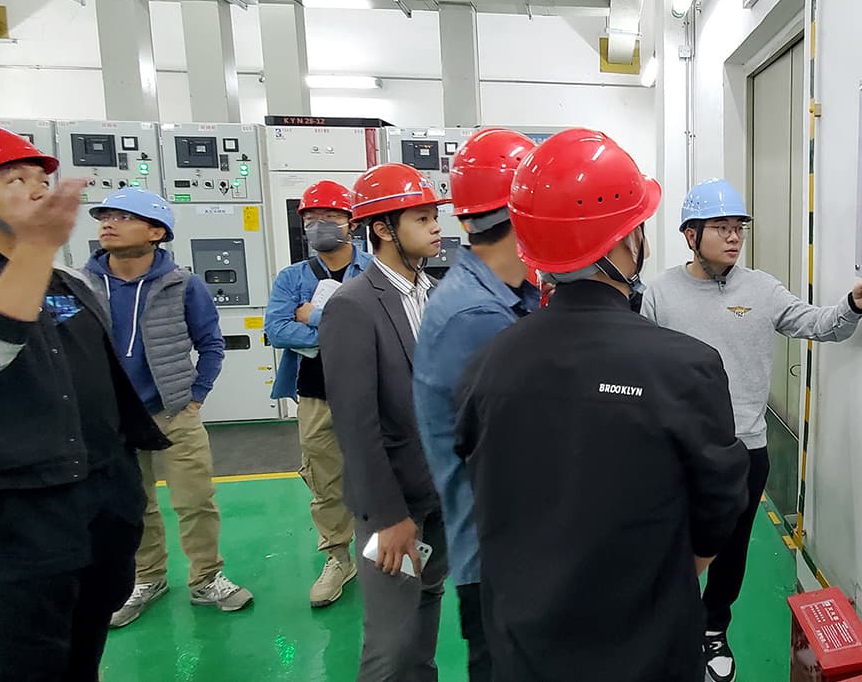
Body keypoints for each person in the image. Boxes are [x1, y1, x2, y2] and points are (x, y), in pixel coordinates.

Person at [454, 128, 750, 682]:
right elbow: (721, 499)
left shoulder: (486, 364)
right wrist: (676, 569)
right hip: (645, 646)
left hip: (523, 645)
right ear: (625, 242)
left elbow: (479, 478)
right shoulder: (686, 367)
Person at [0, 125, 170, 681]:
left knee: (90, 623)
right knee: (29, 649)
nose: (39, 189)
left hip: (99, 491)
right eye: (16, 180)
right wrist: (38, 246)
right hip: (16, 502)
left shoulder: (67, 280)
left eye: (41, 179)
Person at [640, 177, 862, 682]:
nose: (734, 237)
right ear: (691, 234)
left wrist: (853, 305)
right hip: (679, 450)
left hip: (745, 450)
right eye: (721, 227)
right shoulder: (660, 294)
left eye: (739, 228)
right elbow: (641, 367)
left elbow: (819, 324)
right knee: (670, 542)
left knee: (731, 548)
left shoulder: (762, 289)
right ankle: (667, 626)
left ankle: (714, 626)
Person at [78, 187, 253, 627]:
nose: (108, 223)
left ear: (156, 232)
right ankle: (147, 579)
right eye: (105, 215)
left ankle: (206, 578)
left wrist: (195, 396)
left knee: (195, 500)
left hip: (172, 412)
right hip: (113, 417)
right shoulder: (82, 284)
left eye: (123, 216)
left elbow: (211, 343)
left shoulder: (183, 285)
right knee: (133, 504)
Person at [411, 128, 539, 682]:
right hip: (500, 563)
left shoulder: (504, 296)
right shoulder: (477, 317)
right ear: (523, 213)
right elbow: (519, 456)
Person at [319, 163, 449, 682]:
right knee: (391, 644)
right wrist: (391, 517)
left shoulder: (433, 293)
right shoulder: (353, 305)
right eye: (422, 218)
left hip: (440, 495)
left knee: (426, 608)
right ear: (383, 228)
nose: (436, 227)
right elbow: (356, 425)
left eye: (435, 216)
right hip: (396, 507)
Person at [265, 180, 372, 608]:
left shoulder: (375, 271)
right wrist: (342, 330)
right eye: (310, 218)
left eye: (329, 217)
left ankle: (385, 548)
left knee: (382, 470)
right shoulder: (292, 277)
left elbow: (380, 328)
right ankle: (338, 557)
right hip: (316, 393)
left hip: (373, 390)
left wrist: (314, 318)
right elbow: (276, 330)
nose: (319, 225)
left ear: (351, 222)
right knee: (325, 480)